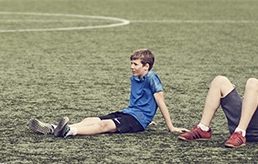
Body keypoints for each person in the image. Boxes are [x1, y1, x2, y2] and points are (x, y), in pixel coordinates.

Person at [28, 48, 187, 138]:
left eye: (135, 64)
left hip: (138, 119)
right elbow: (138, 102)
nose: (132, 66)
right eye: (131, 63)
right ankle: (54, 128)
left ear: (146, 66)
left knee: (103, 125)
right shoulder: (135, 77)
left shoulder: (151, 77)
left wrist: (170, 127)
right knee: (90, 119)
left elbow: (161, 102)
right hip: (130, 113)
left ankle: (68, 131)